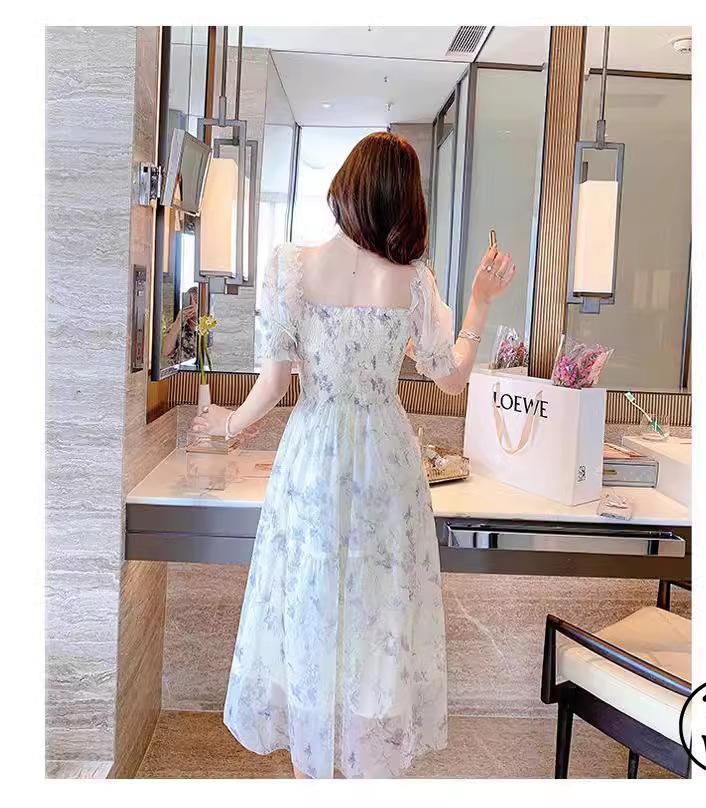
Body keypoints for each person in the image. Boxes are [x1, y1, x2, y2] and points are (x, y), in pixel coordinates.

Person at [191, 131, 517, 778]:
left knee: (312, 609)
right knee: (379, 615)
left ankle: (314, 771)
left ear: (347, 185)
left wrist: (227, 425)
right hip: (386, 463)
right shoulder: (414, 282)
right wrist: (479, 304)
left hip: (313, 457)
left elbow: (273, 387)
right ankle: (366, 769)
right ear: (404, 198)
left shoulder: (292, 266)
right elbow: (451, 379)